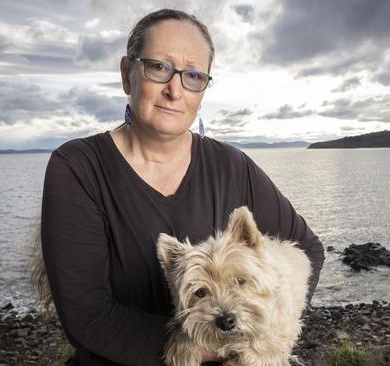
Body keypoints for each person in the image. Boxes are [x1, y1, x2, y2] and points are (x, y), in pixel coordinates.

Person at [39, 8, 325, 366]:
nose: (175, 89)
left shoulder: (232, 165)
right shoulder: (78, 167)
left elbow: (308, 250)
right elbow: (88, 317)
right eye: (159, 67)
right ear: (128, 74)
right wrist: (200, 343)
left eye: (193, 75)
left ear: (203, 88)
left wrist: (268, 334)